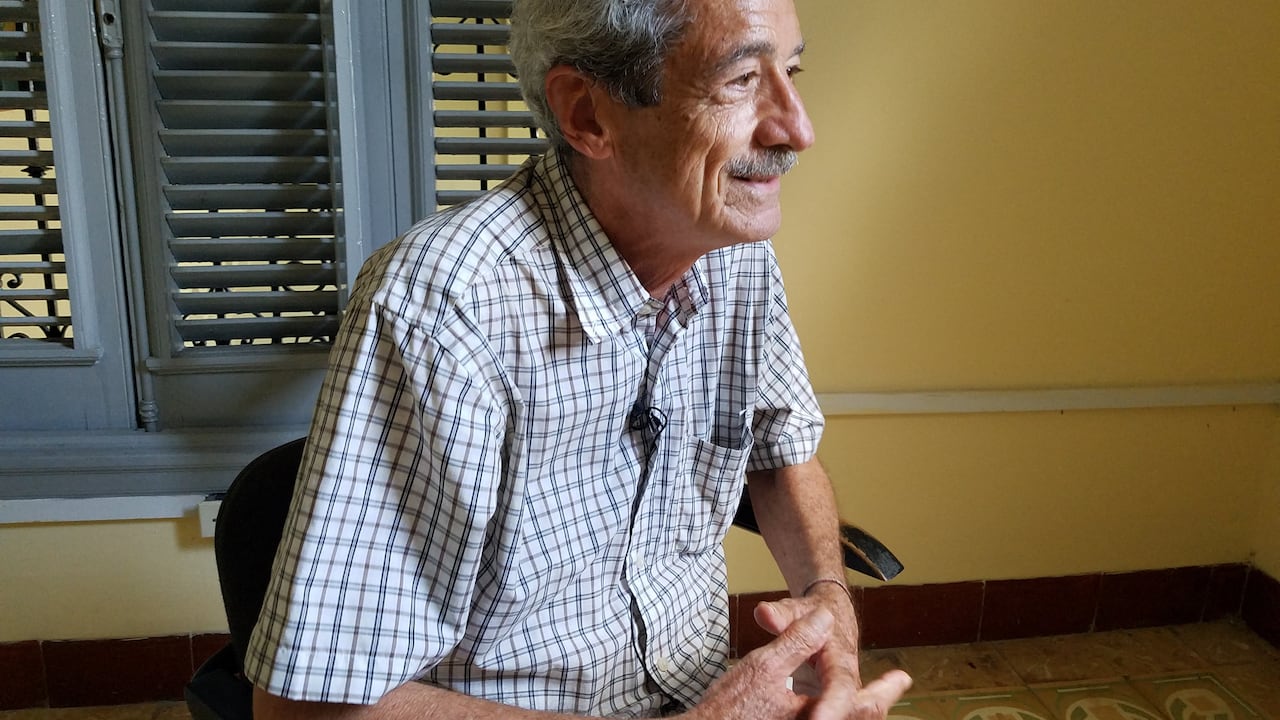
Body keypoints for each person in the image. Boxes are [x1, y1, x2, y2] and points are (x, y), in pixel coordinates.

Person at [245, 0, 913, 717]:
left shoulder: (734, 253)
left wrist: (827, 602)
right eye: (742, 80)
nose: (799, 129)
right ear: (587, 114)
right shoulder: (441, 310)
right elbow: (302, 711)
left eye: (791, 70)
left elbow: (781, 450)